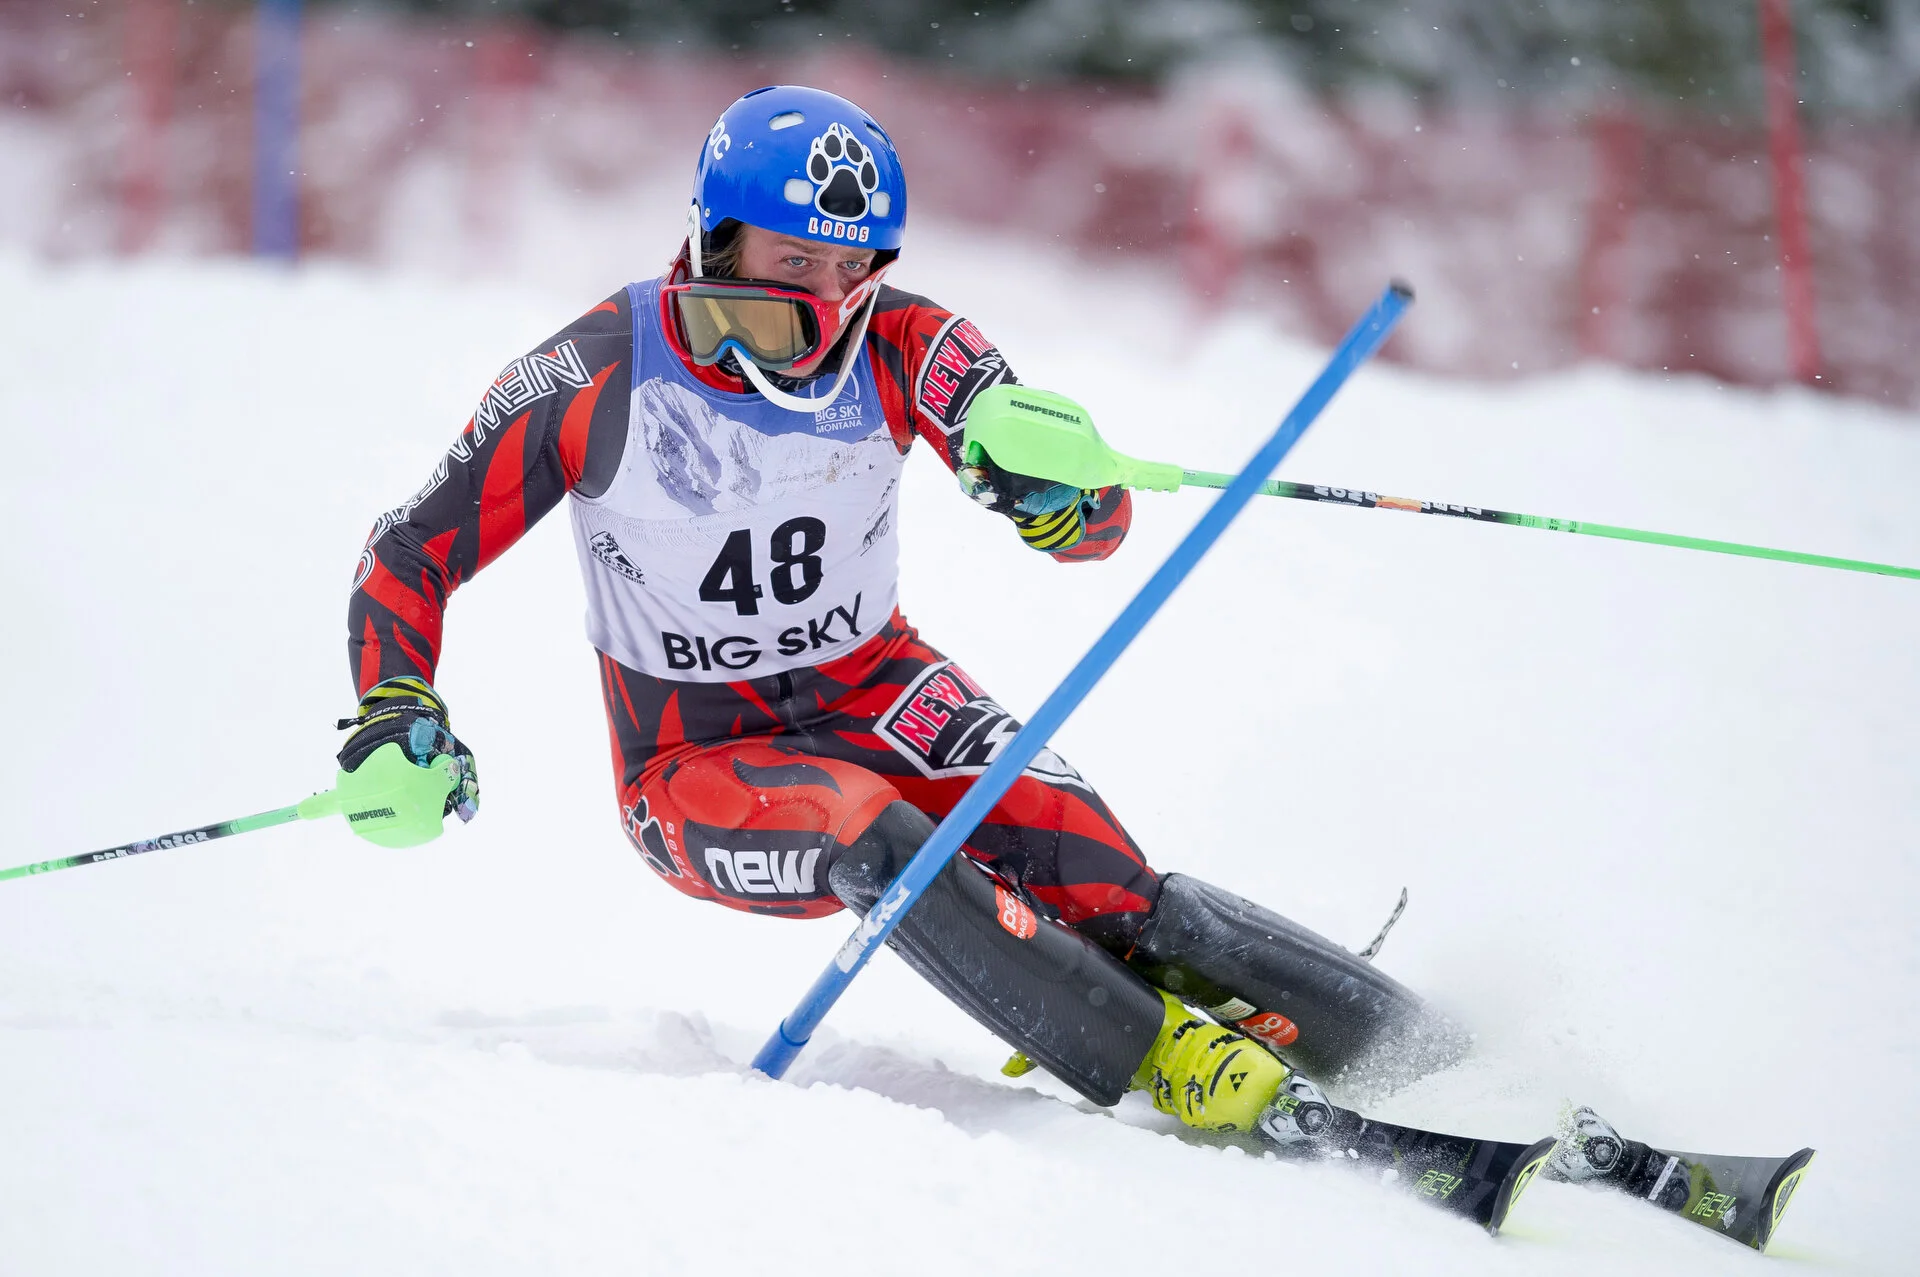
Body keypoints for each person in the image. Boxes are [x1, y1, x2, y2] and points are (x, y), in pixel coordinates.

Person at [335, 85, 1456, 1137]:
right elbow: (408, 552)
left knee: (1108, 879)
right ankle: (1164, 1053)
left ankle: (1418, 1047)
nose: (824, 310)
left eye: (849, 270)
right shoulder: (592, 375)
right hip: (692, 756)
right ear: (714, 238)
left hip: (876, 685)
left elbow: (1085, 506)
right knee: (876, 837)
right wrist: (396, 706)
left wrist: (1060, 495)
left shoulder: (904, 339)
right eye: (790, 265)